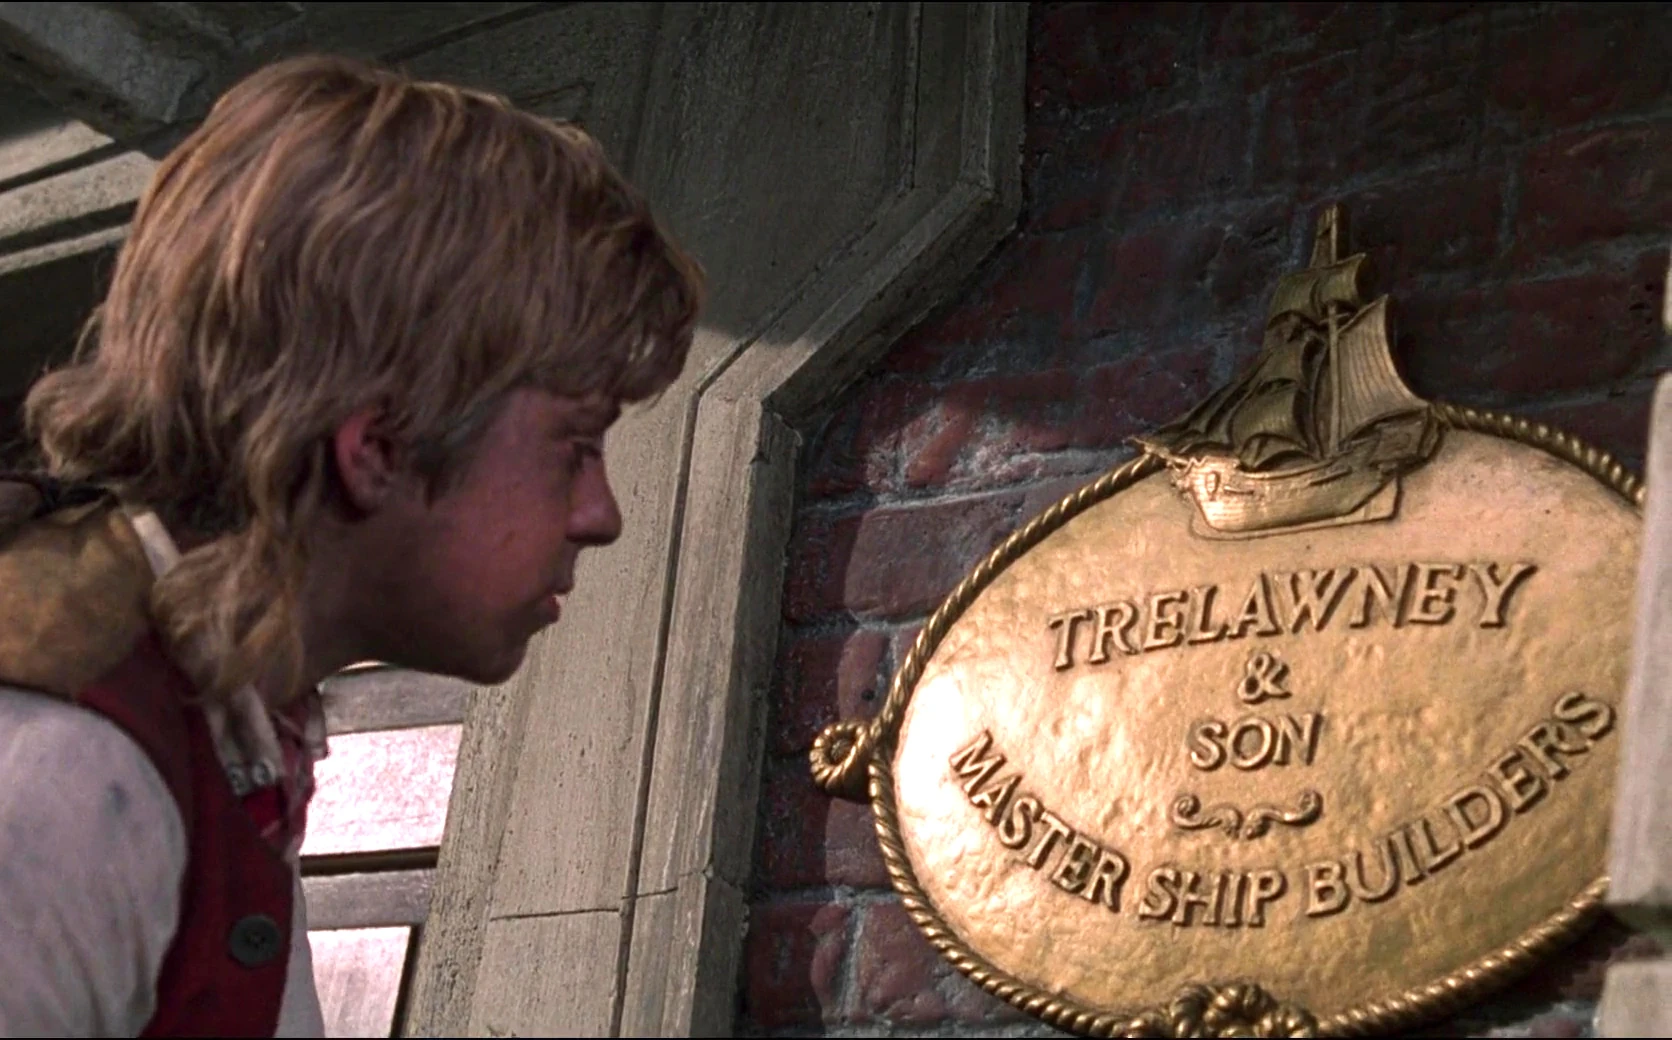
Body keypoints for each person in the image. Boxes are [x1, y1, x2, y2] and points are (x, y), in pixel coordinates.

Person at [0, 53, 703, 1037]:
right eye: (575, 446)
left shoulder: (227, 711)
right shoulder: (59, 776)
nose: (602, 514)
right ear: (378, 449)